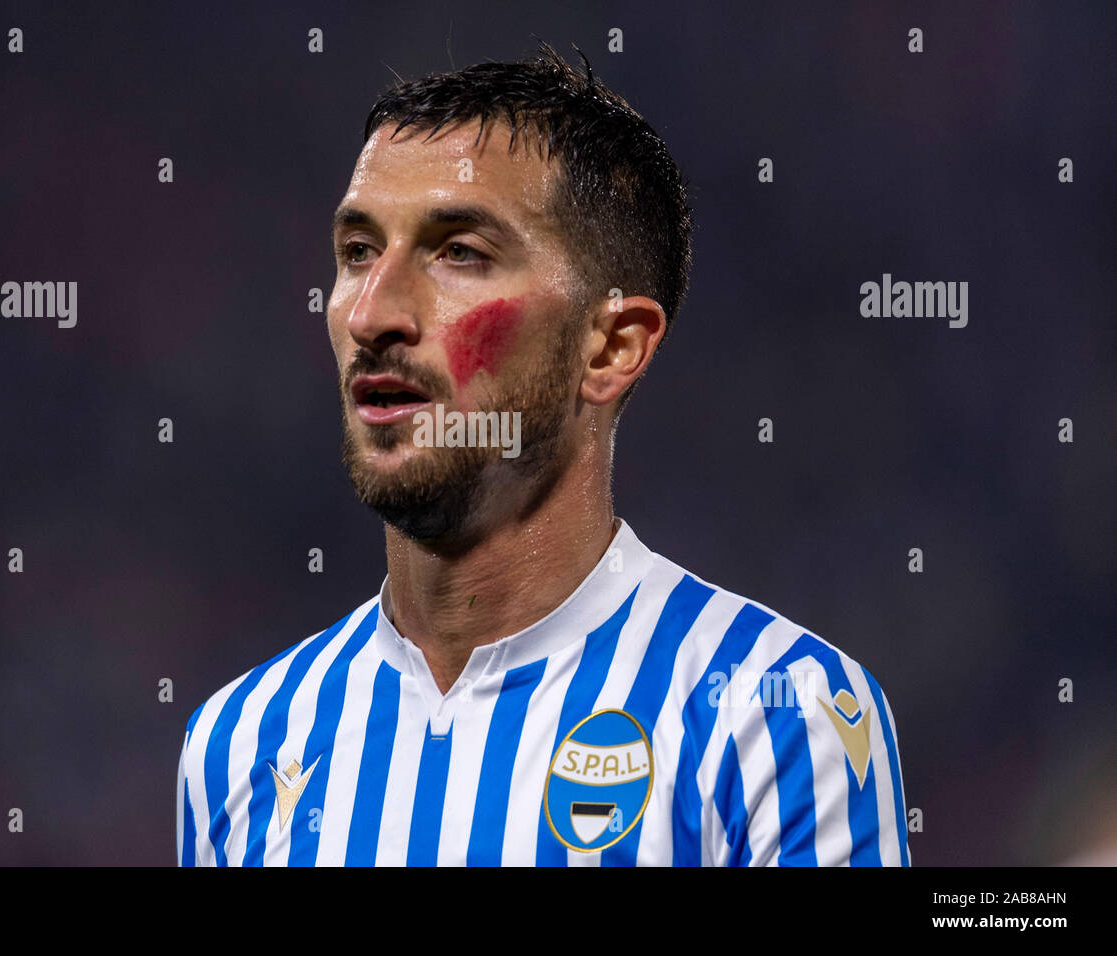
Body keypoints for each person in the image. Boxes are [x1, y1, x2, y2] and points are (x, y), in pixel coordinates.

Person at [176, 42, 909, 866]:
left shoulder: (776, 714)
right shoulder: (242, 741)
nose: (371, 313)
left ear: (611, 348)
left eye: (460, 252)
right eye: (357, 252)